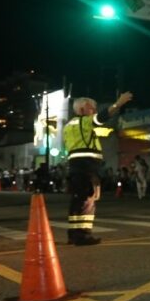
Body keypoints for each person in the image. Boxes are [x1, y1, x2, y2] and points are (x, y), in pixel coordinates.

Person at [63, 92, 132, 245]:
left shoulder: (68, 125)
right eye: (91, 108)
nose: (93, 110)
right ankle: (84, 235)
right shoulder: (86, 122)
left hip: (74, 165)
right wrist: (118, 104)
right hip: (87, 165)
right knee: (88, 200)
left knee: (77, 200)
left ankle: (73, 234)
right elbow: (103, 116)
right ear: (81, 109)